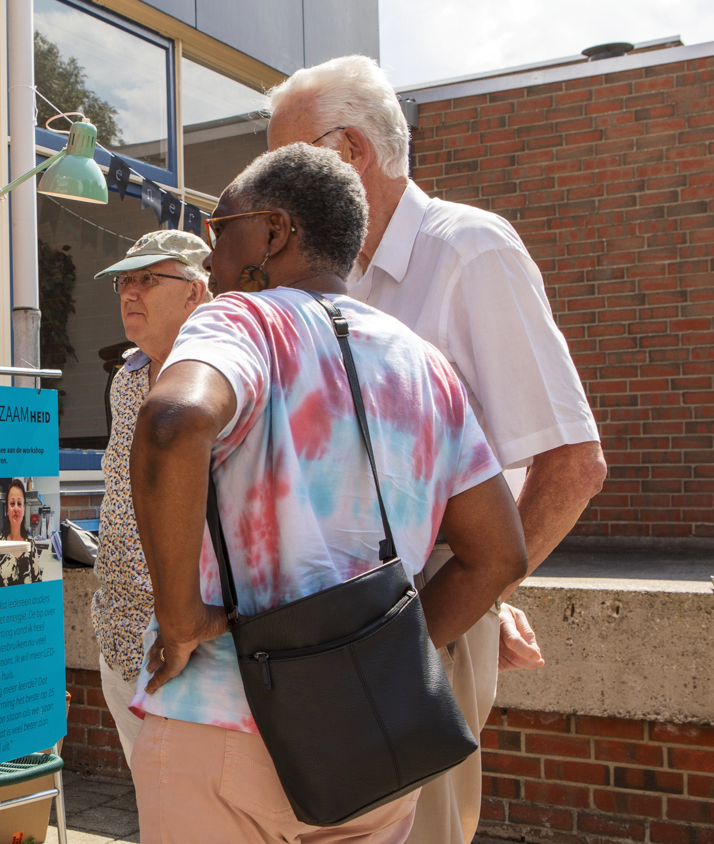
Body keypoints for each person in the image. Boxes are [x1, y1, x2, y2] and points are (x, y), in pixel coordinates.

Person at [127, 144, 530, 843]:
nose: (212, 265)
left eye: (222, 234)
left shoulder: (243, 321)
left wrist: (180, 615)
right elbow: (498, 553)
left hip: (226, 718)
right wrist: (391, 655)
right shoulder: (423, 363)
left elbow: (172, 421)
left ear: (274, 232)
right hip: (369, 743)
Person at [264, 55, 606, 844]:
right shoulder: (332, 282)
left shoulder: (471, 251)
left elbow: (572, 466)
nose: (274, 183)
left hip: (415, 624)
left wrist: (449, 615)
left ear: (350, 151)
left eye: (285, 160)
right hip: (341, 630)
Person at [85, 230, 211, 763]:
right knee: (153, 806)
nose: (129, 293)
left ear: (195, 293)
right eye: (123, 281)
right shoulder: (126, 380)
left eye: (147, 279)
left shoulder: (220, 377)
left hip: (189, 647)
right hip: (118, 632)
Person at [0, 479, 43, 587]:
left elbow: (38, 585)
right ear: (7, 509)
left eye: (19, 504)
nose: (16, 508)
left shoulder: (30, 544)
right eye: (12, 503)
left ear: (23, 509)